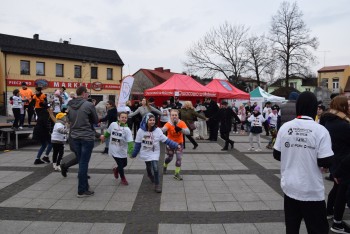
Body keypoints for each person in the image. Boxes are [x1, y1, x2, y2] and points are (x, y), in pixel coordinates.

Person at [273, 91, 334, 234]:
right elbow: (326, 161)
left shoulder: (285, 127)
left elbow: (277, 154)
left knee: (292, 228)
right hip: (311, 190)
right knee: (318, 229)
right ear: (314, 108)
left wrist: (293, 152)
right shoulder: (320, 130)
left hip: (290, 187)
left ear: (298, 106)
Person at [320, 96, 350, 233]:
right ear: (342, 107)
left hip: (333, 159)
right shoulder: (343, 124)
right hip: (343, 161)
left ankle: (329, 211)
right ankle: (337, 222)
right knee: (341, 191)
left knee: (337, 188)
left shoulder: (327, 120)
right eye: (347, 105)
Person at [132, 113, 179, 192]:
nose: (152, 121)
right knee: (148, 167)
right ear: (146, 121)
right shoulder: (140, 131)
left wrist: (176, 145)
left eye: (153, 120)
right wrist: (134, 154)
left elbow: (166, 140)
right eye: (150, 120)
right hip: (145, 152)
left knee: (156, 168)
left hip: (154, 152)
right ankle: (150, 174)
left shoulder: (158, 131)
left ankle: (157, 185)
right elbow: (137, 143)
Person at [67, 86, 98, 198]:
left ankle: (85, 186)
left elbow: (69, 120)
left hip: (75, 137)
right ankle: (81, 190)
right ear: (84, 93)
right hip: (86, 137)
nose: (88, 95)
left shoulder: (69, 105)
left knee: (81, 162)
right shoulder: (88, 104)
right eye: (87, 93)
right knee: (84, 163)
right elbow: (95, 120)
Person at [101, 112, 133, 186]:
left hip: (122, 150)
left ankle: (116, 169)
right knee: (121, 164)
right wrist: (104, 137)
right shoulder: (113, 124)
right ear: (118, 118)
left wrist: (131, 151)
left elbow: (130, 142)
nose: (124, 119)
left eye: (125, 118)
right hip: (113, 149)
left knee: (125, 163)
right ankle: (123, 179)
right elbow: (108, 132)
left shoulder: (127, 130)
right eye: (122, 117)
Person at [162, 109, 190, 180]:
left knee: (179, 158)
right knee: (170, 158)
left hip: (179, 144)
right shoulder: (168, 124)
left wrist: (180, 129)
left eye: (176, 115)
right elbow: (162, 130)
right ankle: (165, 166)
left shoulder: (181, 123)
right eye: (172, 115)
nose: (174, 116)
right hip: (170, 143)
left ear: (178, 116)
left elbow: (188, 132)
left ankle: (177, 173)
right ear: (170, 116)